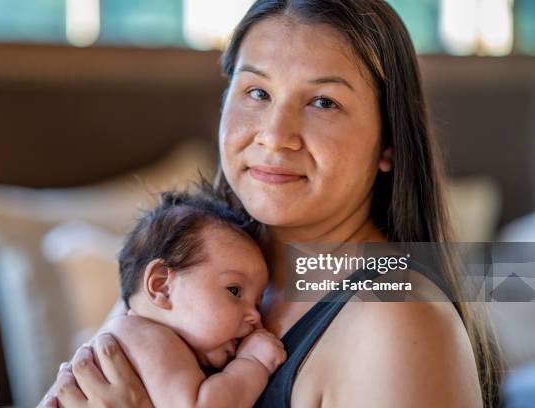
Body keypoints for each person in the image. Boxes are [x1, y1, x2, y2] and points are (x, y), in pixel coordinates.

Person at [41, 0, 500, 407]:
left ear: (389, 144)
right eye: (257, 92)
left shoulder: (399, 323)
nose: (276, 136)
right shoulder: (180, 262)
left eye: (323, 102)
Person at [112, 189, 286, 408]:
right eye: (234, 291)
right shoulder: (148, 340)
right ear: (162, 286)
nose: (255, 316)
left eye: (258, 303)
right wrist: (253, 362)